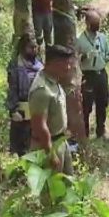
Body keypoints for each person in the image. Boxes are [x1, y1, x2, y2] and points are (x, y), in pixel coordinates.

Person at [29, 44, 75, 175]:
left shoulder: (54, 81)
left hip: (60, 142)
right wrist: (50, 153)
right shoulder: (42, 90)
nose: (69, 67)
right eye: (65, 64)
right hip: (48, 146)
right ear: (54, 63)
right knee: (51, 191)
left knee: (67, 188)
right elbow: (39, 125)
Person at [77, 10, 109, 138]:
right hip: (88, 76)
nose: (96, 26)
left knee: (102, 103)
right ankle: (85, 133)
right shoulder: (80, 39)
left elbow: (107, 53)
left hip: (101, 74)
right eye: (94, 23)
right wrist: (85, 56)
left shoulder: (102, 37)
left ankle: (101, 131)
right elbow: (75, 60)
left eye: (98, 23)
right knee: (86, 106)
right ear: (87, 23)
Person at [6, 34, 43, 156]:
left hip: (38, 110)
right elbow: (12, 89)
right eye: (30, 47)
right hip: (22, 111)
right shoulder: (16, 66)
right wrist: (13, 110)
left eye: (35, 47)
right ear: (23, 48)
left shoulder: (40, 65)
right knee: (21, 147)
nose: (33, 50)